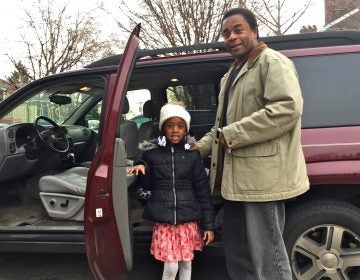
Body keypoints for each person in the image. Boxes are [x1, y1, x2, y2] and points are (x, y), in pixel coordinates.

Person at [193, 7, 310, 280]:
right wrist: (197, 148)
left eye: (238, 30)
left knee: (269, 257)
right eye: (226, 33)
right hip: (232, 184)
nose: (231, 37)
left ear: (254, 32)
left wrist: (232, 134)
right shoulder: (230, 74)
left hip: (262, 182)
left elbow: (287, 109)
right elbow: (219, 127)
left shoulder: (273, 62)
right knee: (239, 254)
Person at [128, 103, 215, 280]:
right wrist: (141, 168)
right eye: (170, 125)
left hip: (187, 220)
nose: (175, 130)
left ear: (186, 129)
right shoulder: (151, 154)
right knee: (171, 265)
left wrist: (208, 225)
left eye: (180, 125)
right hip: (165, 221)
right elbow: (145, 185)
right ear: (163, 127)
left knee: (186, 262)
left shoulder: (192, 155)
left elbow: (202, 191)